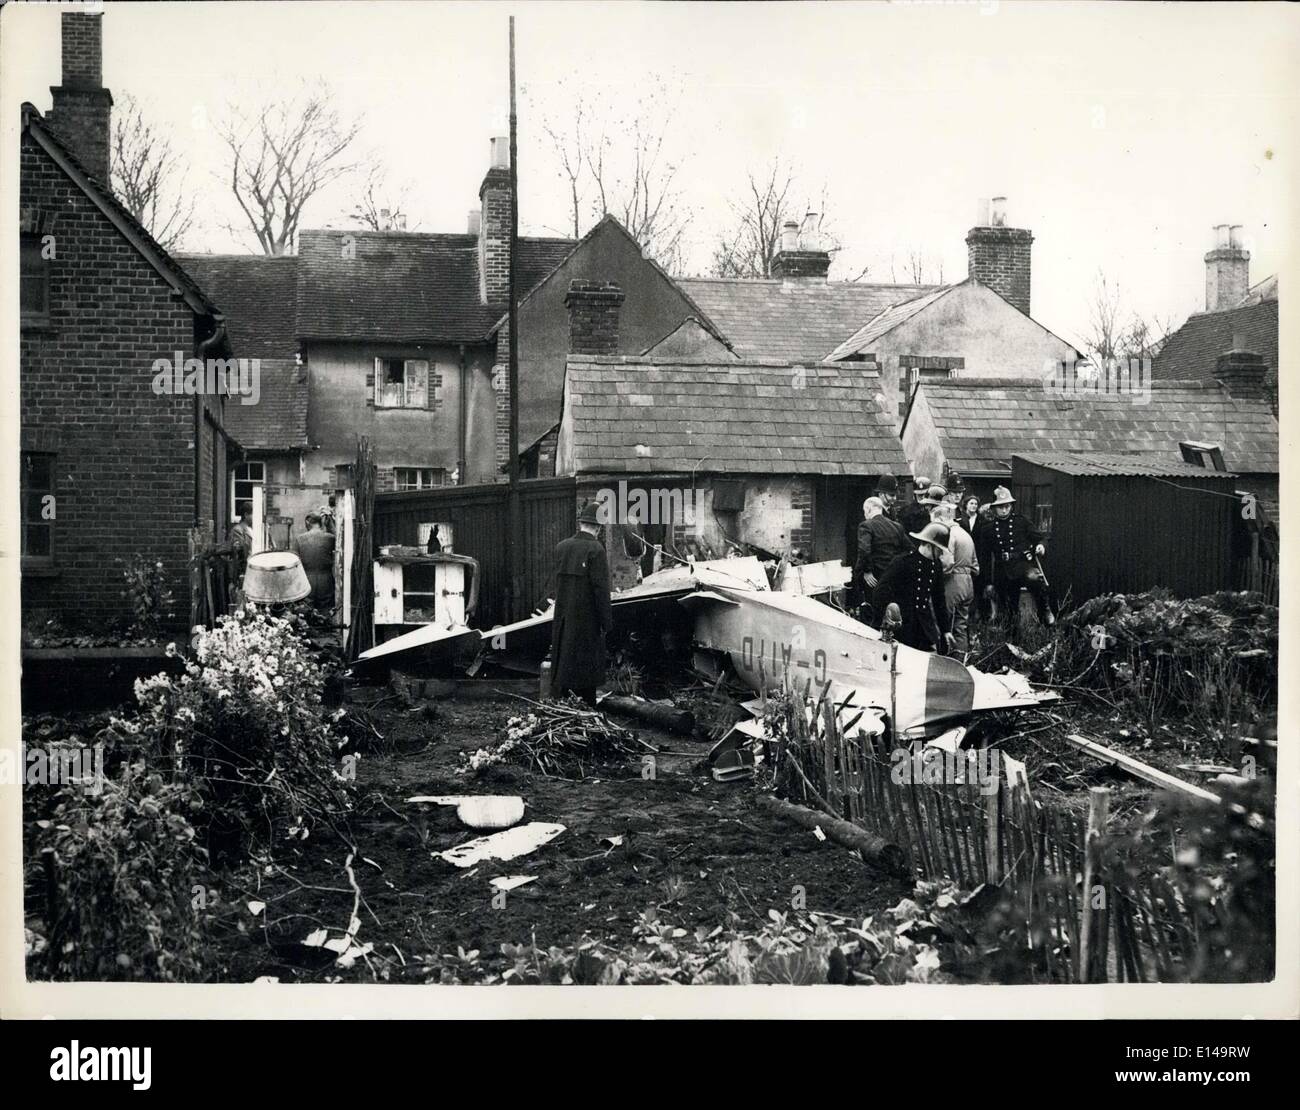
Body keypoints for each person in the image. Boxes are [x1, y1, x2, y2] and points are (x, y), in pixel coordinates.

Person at [549, 502, 613, 706]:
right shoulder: (596, 549)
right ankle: (586, 712)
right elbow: (601, 590)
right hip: (587, 622)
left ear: (581, 524)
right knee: (587, 674)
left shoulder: (562, 547)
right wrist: (607, 623)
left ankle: (565, 708)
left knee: (565, 665)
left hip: (564, 619)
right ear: (598, 527)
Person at [974, 486, 1053, 627]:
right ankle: (1012, 638)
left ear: (1011, 506)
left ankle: (1044, 609)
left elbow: (1040, 538)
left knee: (1034, 578)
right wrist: (987, 582)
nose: (1004, 510)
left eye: (1007, 506)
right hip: (1002, 570)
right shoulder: (988, 529)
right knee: (1009, 608)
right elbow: (984, 558)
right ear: (994, 508)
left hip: (1022, 565)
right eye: (1000, 507)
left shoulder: (1021, 521)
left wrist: (1041, 546)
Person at [872, 522, 954, 654]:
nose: (940, 555)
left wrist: (946, 630)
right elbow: (880, 593)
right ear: (929, 545)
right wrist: (888, 616)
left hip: (924, 626)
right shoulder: (902, 562)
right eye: (939, 550)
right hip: (903, 626)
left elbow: (939, 600)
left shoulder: (936, 566)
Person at [853, 496, 910, 623]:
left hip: (874, 579)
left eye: (864, 511)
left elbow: (864, 550)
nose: (864, 514)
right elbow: (909, 550)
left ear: (868, 509)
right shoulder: (897, 527)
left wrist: (867, 571)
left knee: (873, 616)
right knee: (891, 615)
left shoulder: (866, 526)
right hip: (893, 580)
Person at [933, 502, 979, 654]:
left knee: (941, 622)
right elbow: (976, 567)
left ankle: (941, 660)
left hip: (953, 581)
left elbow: (947, 563)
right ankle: (960, 660)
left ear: (940, 519)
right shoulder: (966, 534)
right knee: (961, 626)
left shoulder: (948, 534)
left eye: (934, 522)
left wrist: (935, 578)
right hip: (968, 583)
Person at [292, 512, 336, 608]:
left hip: (307, 580)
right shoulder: (330, 538)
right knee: (327, 612)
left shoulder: (299, 539)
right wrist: (330, 524)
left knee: (307, 613)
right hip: (326, 581)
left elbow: (294, 564)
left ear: (307, 523)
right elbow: (340, 541)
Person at [229, 503, 255, 583]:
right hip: (244, 571)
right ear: (246, 515)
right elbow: (241, 552)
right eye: (254, 514)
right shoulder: (237, 530)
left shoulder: (254, 529)